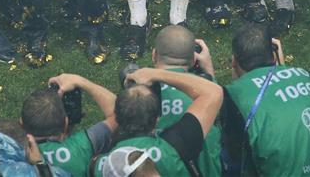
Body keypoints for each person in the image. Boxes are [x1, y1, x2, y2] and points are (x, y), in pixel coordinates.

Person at [222, 24, 310, 175]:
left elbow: (233, 159)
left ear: (234, 61)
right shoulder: (304, 75)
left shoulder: (233, 95)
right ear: (274, 56)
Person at [94, 67, 223, 176]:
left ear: (116, 118)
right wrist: (156, 74)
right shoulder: (175, 146)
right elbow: (213, 92)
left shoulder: (102, 165)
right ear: (158, 118)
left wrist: (82, 82)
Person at [151, 25, 222, 177]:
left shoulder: (139, 94)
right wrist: (209, 73)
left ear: (154, 55)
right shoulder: (208, 94)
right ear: (193, 59)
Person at [22, 74, 117, 176]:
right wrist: (81, 81)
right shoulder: (81, 146)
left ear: (21, 121)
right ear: (66, 122)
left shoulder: (8, 149)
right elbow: (118, 115)